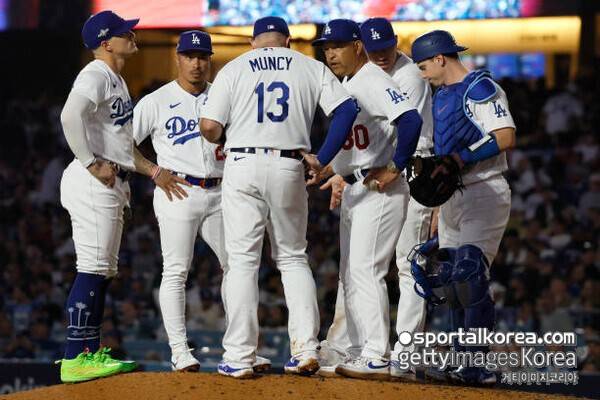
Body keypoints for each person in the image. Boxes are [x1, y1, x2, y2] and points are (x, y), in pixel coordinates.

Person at [200, 16, 357, 378]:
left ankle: (240, 356)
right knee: (292, 257)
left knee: (242, 261)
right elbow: (347, 109)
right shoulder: (308, 66)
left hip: (242, 162)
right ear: (287, 41)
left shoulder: (235, 67)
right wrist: (323, 157)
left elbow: (209, 126)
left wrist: (224, 135)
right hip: (289, 163)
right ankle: (305, 350)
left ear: (253, 42)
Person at [132, 31, 273, 373]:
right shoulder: (156, 101)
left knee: (238, 266)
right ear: (178, 58)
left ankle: (241, 349)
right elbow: (122, 144)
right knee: (176, 270)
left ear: (210, 60)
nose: (196, 63)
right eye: (189, 56)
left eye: (202, 57)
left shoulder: (225, 95)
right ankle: (180, 351)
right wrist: (153, 171)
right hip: (177, 191)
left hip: (223, 190)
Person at [317, 17, 435, 380]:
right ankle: (359, 350)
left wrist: (395, 167)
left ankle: (376, 353)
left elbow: (411, 120)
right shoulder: (350, 81)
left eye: (338, 46)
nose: (331, 54)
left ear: (357, 47)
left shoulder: (372, 78)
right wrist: (333, 168)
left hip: (378, 187)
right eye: (327, 48)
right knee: (354, 272)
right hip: (356, 184)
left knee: (368, 270)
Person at [410, 30, 515, 385]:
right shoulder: (441, 96)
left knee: (470, 271)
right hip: (453, 196)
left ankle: (478, 365)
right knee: (451, 280)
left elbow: (505, 135)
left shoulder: (480, 88)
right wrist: (439, 205)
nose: (422, 73)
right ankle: (460, 362)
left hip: (485, 189)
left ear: (440, 58)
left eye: (424, 66)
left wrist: (460, 158)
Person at [57, 10, 141, 383]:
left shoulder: (114, 78)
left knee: (103, 271)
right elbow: (69, 116)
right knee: (92, 268)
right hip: (93, 182)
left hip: (110, 181)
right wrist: (91, 163)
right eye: (125, 33)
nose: (132, 35)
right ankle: (75, 356)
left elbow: (120, 143)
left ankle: (89, 353)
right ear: (106, 42)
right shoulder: (95, 74)